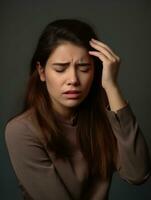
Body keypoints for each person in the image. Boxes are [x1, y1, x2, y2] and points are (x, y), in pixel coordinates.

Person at [5, 18, 151, 200]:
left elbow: (137, 174)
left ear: (95, 72)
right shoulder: (21, 130)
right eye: (60, 69)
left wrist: (111, 86)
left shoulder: (104, 117)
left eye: (83, 68)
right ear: (41, 71)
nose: (73, 79)